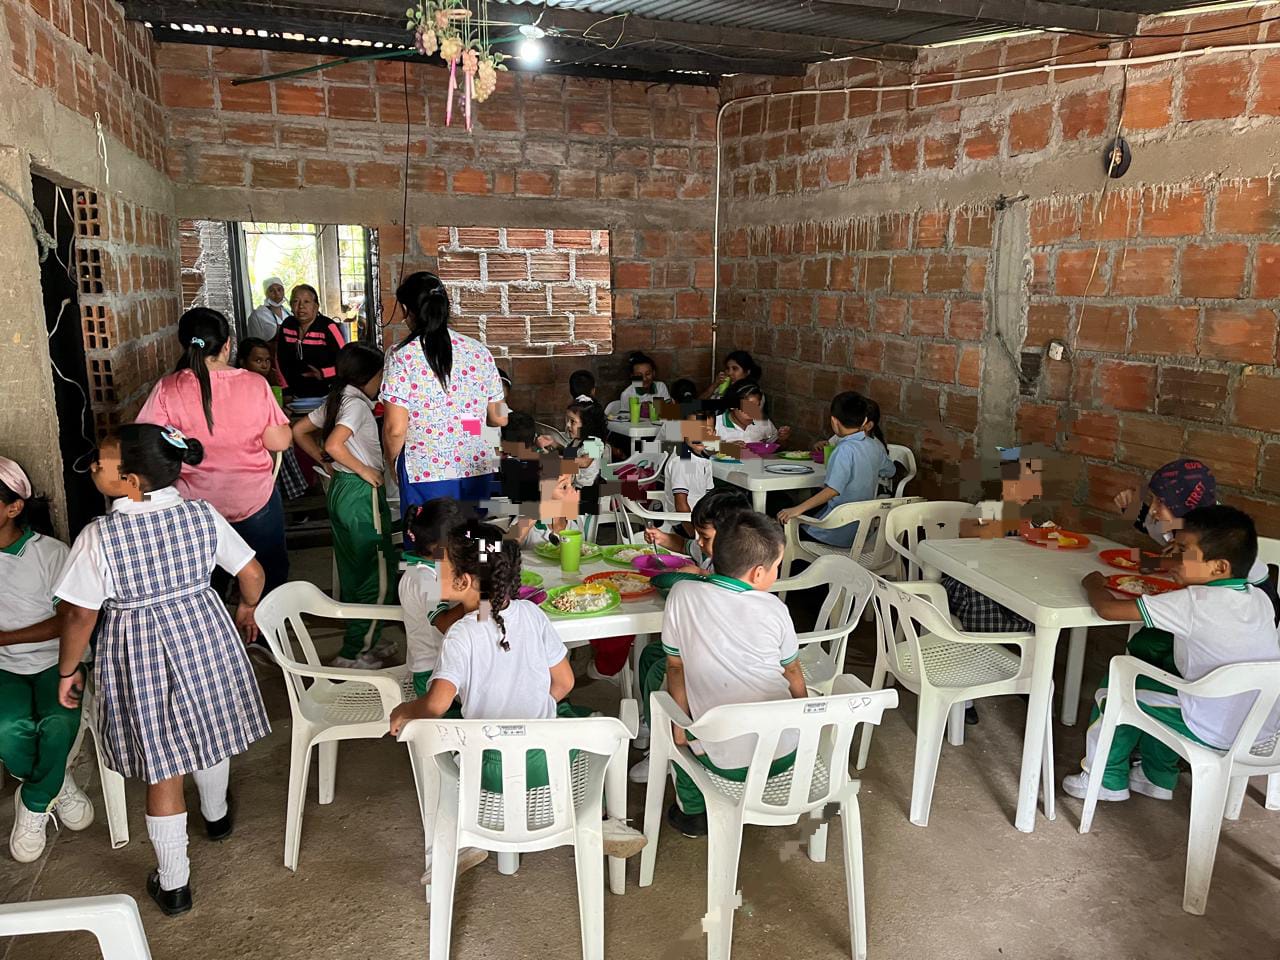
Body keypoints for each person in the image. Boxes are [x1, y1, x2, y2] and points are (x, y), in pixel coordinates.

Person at [54, 424, 270, 915]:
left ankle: (174, 886)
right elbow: (251, 573)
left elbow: (81, 614)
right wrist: (247, 608)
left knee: (162, 765)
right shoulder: (200, 514)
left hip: (138, 649)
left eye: (102, 463)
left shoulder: (99, 536)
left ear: (130, 480)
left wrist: (69, 669)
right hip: (204, 634)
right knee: (208, 726)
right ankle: (216, 817)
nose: (93, 467)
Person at [388, 520, 644, 875]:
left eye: (441, 568)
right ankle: (598, 819)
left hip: (487, 771)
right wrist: (535, 707)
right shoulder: (533, 614)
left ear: (463, 582)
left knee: (443, 738)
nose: (436, 573)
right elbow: (564, 682)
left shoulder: (461, 634)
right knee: (578, 721)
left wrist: (405, 709)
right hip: (548, 764)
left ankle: (465, 835)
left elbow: (436, 705)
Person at [1064, 505, 1280, 802]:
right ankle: (1157, 777)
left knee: (1115, 687)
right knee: (1169, 684)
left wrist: (1094, 584)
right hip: (1264, 730)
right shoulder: (1259, 598)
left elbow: (1108, 609)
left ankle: (1104, 779)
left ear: (1219, 567)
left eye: (1183, 550)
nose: (1173, 557)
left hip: (1218, 731)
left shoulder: (1193, 601)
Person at [649, 512, 805, 837]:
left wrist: (681, 724)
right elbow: (791, 670)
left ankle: (691, 812)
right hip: (784, 752)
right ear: (759, 572)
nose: (776, 573)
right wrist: (804, 718)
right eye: (777, 566)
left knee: (669, 708)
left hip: (723, 759)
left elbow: (675, 667)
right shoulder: (775, 609)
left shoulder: (682, 594)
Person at [137, 308, 292, 598]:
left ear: (184, 344)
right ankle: (265, 626)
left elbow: (146, 441)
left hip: (196, 508)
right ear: (227, 345)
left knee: (205, 581)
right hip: (253, 501)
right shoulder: (254, 384)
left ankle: (216, 630)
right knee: (269, 573)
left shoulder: (167, 388)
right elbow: (278, 442)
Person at [0, 458, 94, 863]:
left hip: (59, 662)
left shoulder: (50, 554)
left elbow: (68, 621)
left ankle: (35, 801)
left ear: (13, 507)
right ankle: (57, 783)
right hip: (5, 666)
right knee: (6, 727)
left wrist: (5, 637)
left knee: (59, 719)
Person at [631, 489, 755, 783]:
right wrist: (664, 539)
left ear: (732, 539)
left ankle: (667, 750)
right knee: (650, 654)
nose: (699, 542)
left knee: (662, 667)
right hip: (699, 645)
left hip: (721, 659)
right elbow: (688, 545)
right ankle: (653, 718)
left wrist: (700, 577)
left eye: (705, 537)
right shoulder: (714, 553)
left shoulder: (743, 576)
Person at [292, 342, 397, 670]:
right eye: (380, 376)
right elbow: (336, 443)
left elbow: (299, 430)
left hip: (341, 490)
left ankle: (366, 642)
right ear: (366, 376)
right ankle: (354, 654)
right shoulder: (356, 406)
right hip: (361, 493)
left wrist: (326, 460)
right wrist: (363, 468)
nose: (382, 383)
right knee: (377, 576)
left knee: (355, 572)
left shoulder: (338, 400)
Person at [381, 272, 507, 515]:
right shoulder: (479, 352)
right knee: (471, 544)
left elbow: (395, 429)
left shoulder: (401, 355)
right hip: (477, 467)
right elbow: (500, 416)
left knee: (431, 548)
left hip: (425, 470)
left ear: (407, 310)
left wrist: (395, 464)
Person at [778, 392, 893, 546]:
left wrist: (797, 509)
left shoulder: (843, 450)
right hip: (860, 531)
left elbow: (833, 490)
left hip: (834, 531)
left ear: (834, 421)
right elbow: (890, 471)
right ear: (864, 420)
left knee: (781, 526)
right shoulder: (874, 446)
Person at [238, 337, 309, 503]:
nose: (264, 365)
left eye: (267, 360)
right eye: (257, 360)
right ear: (243, 362)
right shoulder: (244, 385)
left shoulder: (271, 381)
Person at [277, 284, 347, 399]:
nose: (301, 307)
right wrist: (285, 389)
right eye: (295, 301)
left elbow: (346, 361)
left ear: (316, 306)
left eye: (306, 302)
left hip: (327, 394)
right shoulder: (287, 325)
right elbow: (279, 359)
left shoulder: (329, 327)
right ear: (290, 305)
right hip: (294, 396)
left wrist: (323, 373)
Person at [714, 379, 791, 446]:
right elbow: (706, 452)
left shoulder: (763, 422)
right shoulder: (716, 425)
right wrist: (726, 448)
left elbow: (777, 447)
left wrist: (782, 439)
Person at [247, 276, 291, 344]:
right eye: (271, 291)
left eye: (279, 289)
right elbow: (254, 343)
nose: (277, 293)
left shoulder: (289, 313)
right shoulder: (257, 315)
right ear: (266, 294)